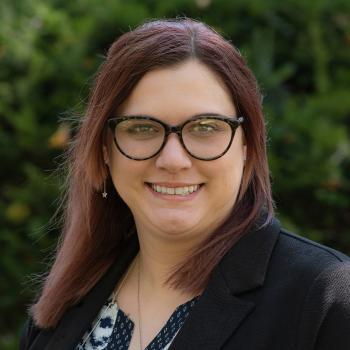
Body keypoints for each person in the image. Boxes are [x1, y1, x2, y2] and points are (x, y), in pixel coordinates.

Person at [20, 18, 350, 350]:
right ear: (105, 149)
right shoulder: (65, 306)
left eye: (205, 127)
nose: (173, 160)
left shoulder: (325, 299)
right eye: (142, 128)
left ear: (247, 147)